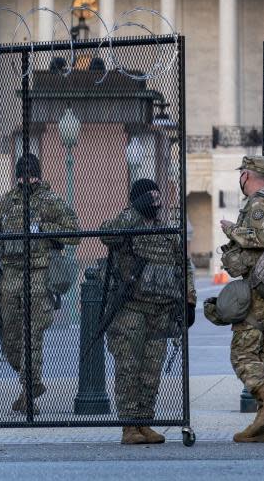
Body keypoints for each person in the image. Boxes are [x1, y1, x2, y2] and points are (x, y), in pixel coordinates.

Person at [0, 153, 79, 414]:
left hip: (39, 274)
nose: (26, 180)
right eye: (22, 175)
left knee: (32, 336)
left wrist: (43, 227)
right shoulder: (8, 201)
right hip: (9, 275)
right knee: (10, 338)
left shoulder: (49, 200)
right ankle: (29, 382)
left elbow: (74, 232)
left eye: (31, 174)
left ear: (39, 175)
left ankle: (28, 392)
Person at [100, 178, 196, 445]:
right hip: (131, 311)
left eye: (157, 194)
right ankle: (129, 426)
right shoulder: (127, 225)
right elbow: (105, 234)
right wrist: (133, 211)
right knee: (129, 367)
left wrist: (189, 301)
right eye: (148, 196)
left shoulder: (166, 233)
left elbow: (184, 268)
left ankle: (145, 421)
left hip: (160, 311)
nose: (155, 199)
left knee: (151, 370)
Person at [217, 155, 264, 443]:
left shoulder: (259, 205)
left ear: (247, 176)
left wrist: (231, 230)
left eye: (242, 174)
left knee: (242, 354)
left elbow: (261, 239)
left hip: (257, 292)